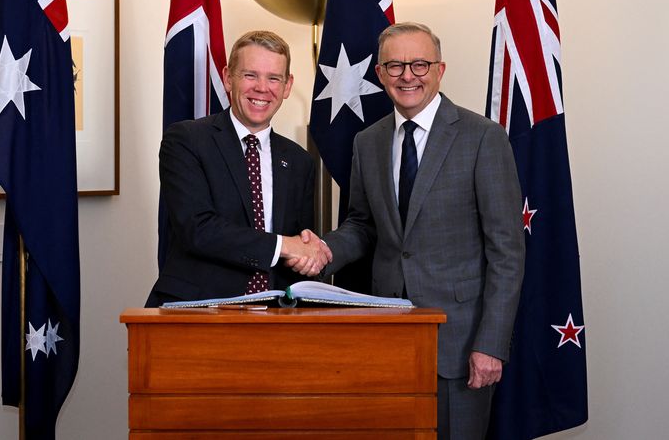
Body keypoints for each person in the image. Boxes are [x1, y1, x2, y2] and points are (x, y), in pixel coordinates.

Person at [317, 22, 525, 439]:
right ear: (379, 74)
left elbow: (507, 251)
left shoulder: (483, 137)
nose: (407, 75)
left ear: (440, 70)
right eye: (395, 65)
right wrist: (323, 250)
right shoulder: (367, 142)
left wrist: (490, 344)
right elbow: (362, 225)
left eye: (419, 64)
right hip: (387, 337)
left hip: (460, 343)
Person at [146, 30, 330, 307]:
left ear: (287, 86)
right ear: (227, 78)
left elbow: (298, 246)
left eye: (273, 78)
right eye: (250, 75)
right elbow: (197, 228)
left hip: (276, 318)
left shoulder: (299, 161)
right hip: (198, 310)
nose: (262, 88)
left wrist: (311, 256)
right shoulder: (186, 140)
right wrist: (283, 245)